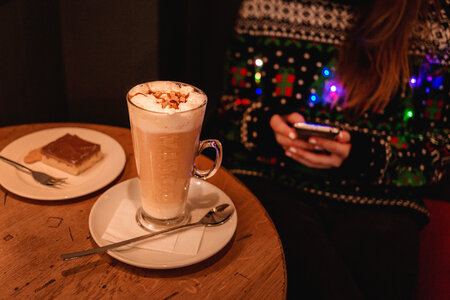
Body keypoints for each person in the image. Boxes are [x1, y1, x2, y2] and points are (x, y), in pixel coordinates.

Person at [216, 0, 450, 299]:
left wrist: (365, 155)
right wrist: (267, 127)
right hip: (271, 180)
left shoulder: (429, 18)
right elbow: (228, 112)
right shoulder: (265, 5)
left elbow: (436, 153)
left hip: (382, 199)